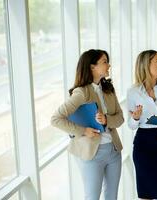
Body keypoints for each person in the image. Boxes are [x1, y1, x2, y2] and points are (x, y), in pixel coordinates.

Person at [51, 49, 124, 200]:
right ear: (92, 67)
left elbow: (120, 118)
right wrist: (83, 131)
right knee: (92, 197)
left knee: (112, 197)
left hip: (113, 151)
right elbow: (56, 119)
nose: (108, 65)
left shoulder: (108, 89)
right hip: (92, 154)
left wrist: (106, 120)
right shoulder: (81, 92)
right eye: (104, 62)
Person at [127, 50, 157, 200]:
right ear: (146, 65)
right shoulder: (133, 92)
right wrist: (135, 118)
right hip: (144, 145)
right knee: (145, 194)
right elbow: (131, 125)